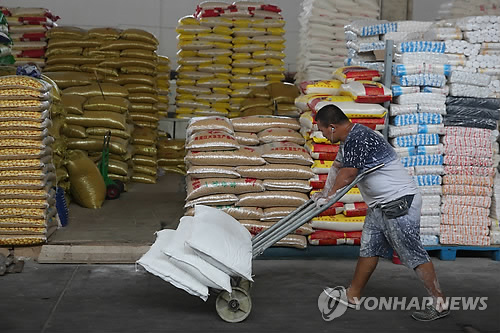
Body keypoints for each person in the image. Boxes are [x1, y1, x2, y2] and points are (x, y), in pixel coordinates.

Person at [312, 104, 449, 321]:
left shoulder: (359, 137)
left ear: (331, 127)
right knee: (369, 248)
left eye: (321, 130)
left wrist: (329, 198)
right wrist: (324, 194)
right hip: (379, 205)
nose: (321, 135)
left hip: (399, 203)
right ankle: (353, 295)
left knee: (412, 253)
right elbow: (338, 168)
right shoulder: (348, 140)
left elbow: (348, 173)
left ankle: (439, 304)